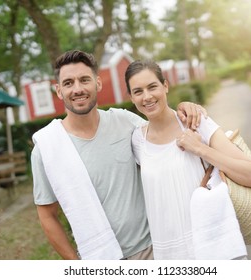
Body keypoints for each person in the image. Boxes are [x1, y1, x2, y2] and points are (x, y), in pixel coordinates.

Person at [31, 50, 206, 260]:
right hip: (98, 259)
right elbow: (47, 216)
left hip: (152, 249)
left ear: (98, 83)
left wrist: (184, 107)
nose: (77, 89)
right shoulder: (47, 148)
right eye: (68, 83)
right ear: (59, 91)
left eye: (84, 80)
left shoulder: (124, 121)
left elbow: (164, 130)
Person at [126, 60, 251, 260]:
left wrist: (200, 148)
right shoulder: (138, 140)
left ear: (165, 86)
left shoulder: (196, 123)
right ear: (130, 97)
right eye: (138, 91)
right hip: (169, 255)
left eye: (152, 87)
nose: (146, 97)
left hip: (211, 248)